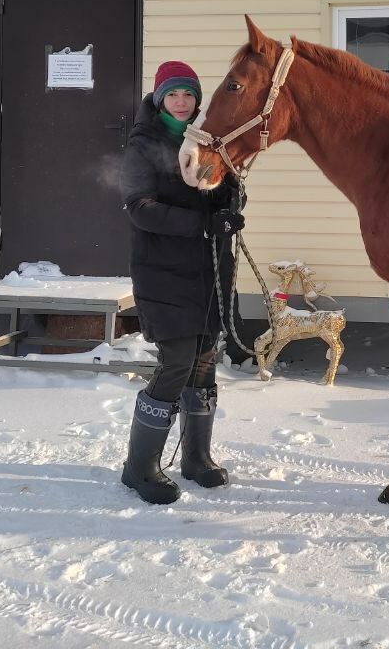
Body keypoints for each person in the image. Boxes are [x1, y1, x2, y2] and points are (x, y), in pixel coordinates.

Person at [118, 60, 246, 505]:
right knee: (176, 361)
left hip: (209, 270)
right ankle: (139, 467)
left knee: (205, 361)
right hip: (162, 271)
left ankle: (196, 458)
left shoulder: (209, 140)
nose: (181, 101)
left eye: (189, 94)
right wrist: (201, 224)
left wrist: (230, 209)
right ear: (159, 98)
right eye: (173, 94)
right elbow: (139, 207)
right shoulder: (143, 143)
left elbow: (225, 188)